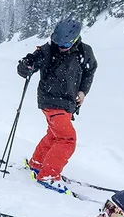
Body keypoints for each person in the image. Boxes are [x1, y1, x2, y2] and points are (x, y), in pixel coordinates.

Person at [16, 19, 97, 187]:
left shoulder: (84, 52)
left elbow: (89, 72)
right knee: (67, 139)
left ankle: (37, 165)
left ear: (75, 39)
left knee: (54, 136)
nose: (61, 47)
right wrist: (26, 65)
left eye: (65, 44)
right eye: (57, 42)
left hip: (68, 104)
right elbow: (25, 68)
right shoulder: (48, 50)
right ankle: (49, 176)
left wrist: (82, 92)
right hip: (50, 100)